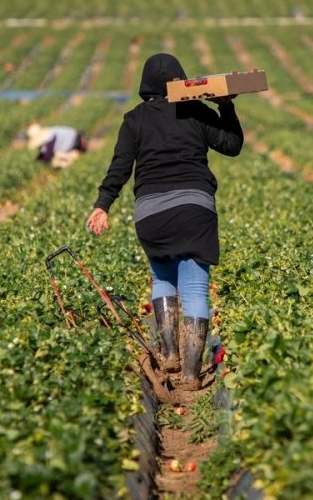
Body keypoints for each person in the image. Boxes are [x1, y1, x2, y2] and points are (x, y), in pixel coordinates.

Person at [86, 53, 244, 392]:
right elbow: (232, 145)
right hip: (195, 208)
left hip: (151, 214)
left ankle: (170, 353)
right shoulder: (195, 111)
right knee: (195, 289)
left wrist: (103, 205)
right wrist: (226, 106)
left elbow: (120, 167)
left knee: (162, 278)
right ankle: (190, 373)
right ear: (180, 80)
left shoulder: (134, 119)